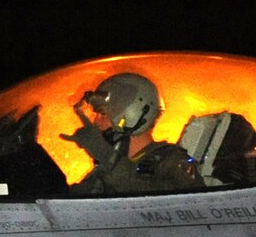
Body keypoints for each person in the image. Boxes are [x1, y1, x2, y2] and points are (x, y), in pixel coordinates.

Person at [65, 72, 200, 195]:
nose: (97, 122)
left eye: (103, 114)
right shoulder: (103, 172)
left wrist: (105, 154)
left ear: (131, 115)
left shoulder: (172, 161)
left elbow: (162, 203)